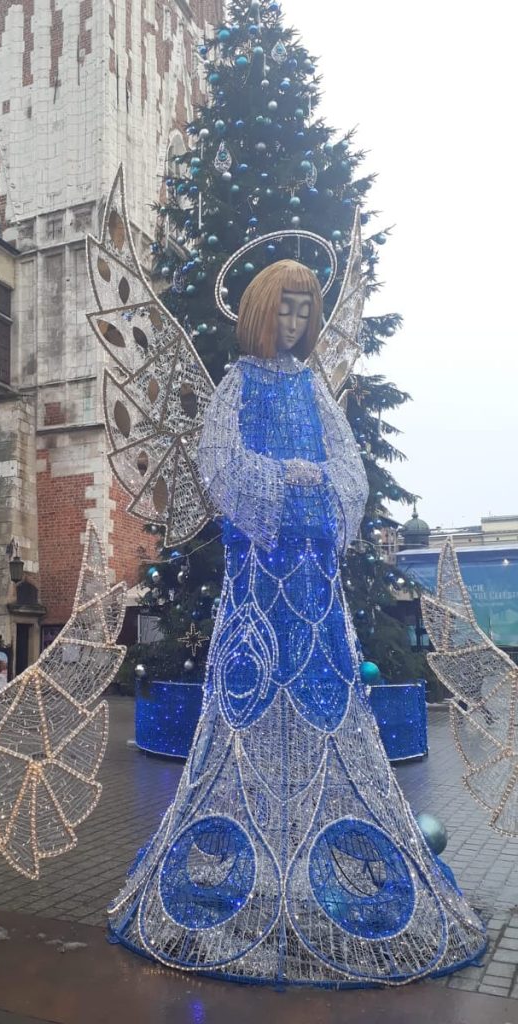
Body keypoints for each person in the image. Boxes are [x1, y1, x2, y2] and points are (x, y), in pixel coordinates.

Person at [108, 261, 486, 985]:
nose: (292, 324)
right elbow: (220, 463)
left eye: (303, 311)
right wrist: (287, 480)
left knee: (322, 701)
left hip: (311, 582)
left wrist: (323, 487)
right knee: (251, 708)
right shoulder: (239, 385)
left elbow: (348, 466)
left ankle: (319, 860)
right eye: (283, 309)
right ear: (259, 310)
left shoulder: (313, 386)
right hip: (259, 583)